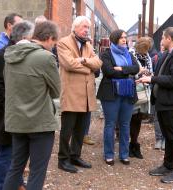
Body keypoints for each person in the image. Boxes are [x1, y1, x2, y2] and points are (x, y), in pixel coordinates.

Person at [3, 21, 60, 190]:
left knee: (15, 167)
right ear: (49, 38)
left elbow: (9, 86)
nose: (53, 47)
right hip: (40, 123)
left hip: (17, 122)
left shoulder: (10, 55)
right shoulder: (46, 57)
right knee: (37, 171)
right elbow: (56, 91)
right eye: (54, 43)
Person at [137, 27, 173, 183]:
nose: (161, 40)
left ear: (169, 38)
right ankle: (168, 165)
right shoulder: (168, 54)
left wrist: (153, 80)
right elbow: (163, 75)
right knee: (168, 136)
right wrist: (150, 75)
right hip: (164, 102)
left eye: (162, 37)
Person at [0, 21, 32, 190]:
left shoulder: (24, 55)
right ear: (24, 37)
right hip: (5, 116)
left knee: (18, 154)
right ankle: (1, 186)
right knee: (5, 154)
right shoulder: (1, 55)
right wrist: (11, 107)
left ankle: (15, 183)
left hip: (20, 115)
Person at [57, 16, 102, 173]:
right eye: (84, 27)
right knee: (67, 129)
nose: (86, 30)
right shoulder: (63, 42)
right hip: (71, 94)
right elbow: (68, 64)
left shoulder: (88, 44)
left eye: (88, 28)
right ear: (74, 27)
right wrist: (87, 64)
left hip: (87, 95)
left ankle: (75, 155)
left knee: (80, 130)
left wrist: (83, 62)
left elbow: (98, 64)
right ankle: (63, 159)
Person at [97, 29, 139, 166]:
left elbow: (136, 68)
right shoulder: (106, 54)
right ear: (115, 39)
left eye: (125, 37)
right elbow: (108, 71)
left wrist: (120, 69)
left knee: (125, 124)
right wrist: (126, 70)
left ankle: (124, 154)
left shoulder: (129, 53)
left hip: (127, 93)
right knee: (110, 124)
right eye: (121, 38)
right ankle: (109, 154)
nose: (124, 40)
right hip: (110, 94)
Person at [129, 37, 153, 159]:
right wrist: (140, 73)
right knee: (129, 118)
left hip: (144, 91)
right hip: (133, 90)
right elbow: (128, 72)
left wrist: (148, 74)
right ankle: (129, 145)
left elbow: (151, 71)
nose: (145, 51)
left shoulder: (147, 57)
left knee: (138, 119)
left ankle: (134, 143)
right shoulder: (131, 54)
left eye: (147, 49)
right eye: (144, 49)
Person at [152, 41, 166, 150]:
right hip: (157, 91)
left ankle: (165, 139)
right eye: (161, 44)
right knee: (157, 117)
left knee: (166, 118)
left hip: (168, 91)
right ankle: (158, 139)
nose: (162, 46)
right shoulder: (156, 58)